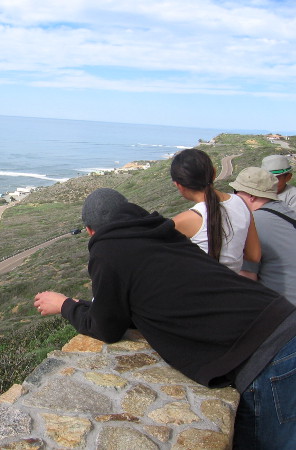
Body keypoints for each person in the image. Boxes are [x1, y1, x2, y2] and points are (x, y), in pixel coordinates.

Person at [34, 188, 296, 449]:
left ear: (90, 231)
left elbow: (107, 327)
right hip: (280, 318)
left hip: (268, 353)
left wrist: (65, 305)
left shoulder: (108, 249)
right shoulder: (161, 230)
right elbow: (149, 297)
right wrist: (92, 305)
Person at [170, 148, 260, 273]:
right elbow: (254, 256)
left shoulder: (183, 221)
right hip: (235, 285)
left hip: (201, 287)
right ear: (214, 173)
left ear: (178, 185)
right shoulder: (241, 203)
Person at [230, 167, 296, 305]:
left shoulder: (250, 223)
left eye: (236, 192)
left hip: (284, 311)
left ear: (251, 196)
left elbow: (246, 280)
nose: (234, 197)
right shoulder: (288, 212)